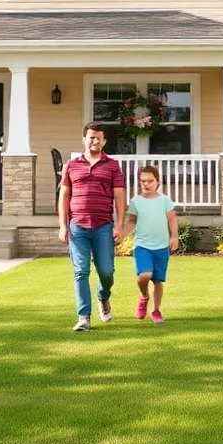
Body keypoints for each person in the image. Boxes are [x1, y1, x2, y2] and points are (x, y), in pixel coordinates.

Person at [58, 123, 126, 332]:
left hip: (103, 226)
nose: (94, 141)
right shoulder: (71, 164)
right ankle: (83, 317)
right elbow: (64, 196)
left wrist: (120, 225)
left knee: (106, 271)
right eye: (91, 137)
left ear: (104, 141)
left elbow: (119, 196)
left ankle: (103, 296)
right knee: (81, 272)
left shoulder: (112, 165)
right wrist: (63, 225)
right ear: (84, 139)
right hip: (77, 226)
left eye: (98, 138)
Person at [124, 164, 179, 324]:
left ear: (157, 182)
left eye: (150, 181)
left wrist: (174, 237)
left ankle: (156, 310)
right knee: (144, 275)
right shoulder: (136, 202)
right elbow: (131, 221)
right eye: (142, 181)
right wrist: (121, 232)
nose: (146, 184)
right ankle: (143, 296)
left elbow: (172, 219)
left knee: (157, 280)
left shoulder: (164, 200)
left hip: (161, 246)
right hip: (142, 246)